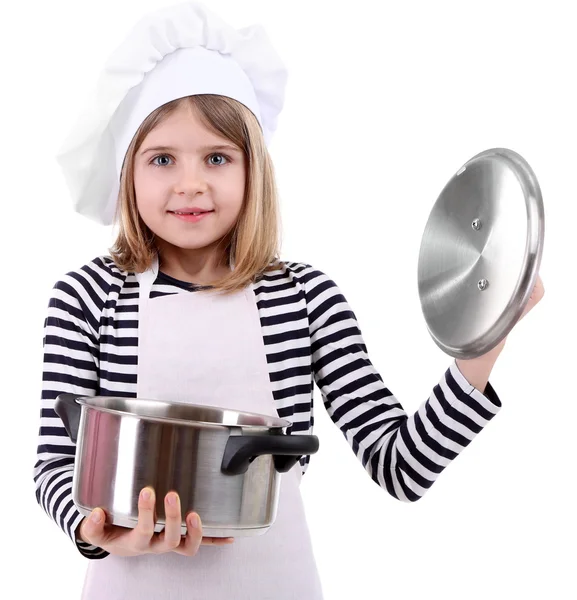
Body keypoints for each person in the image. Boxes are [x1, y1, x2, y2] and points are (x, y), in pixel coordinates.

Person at [32, 2, 544, 599]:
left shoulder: (305, 297)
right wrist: (98, 530)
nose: (191, 183)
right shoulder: (88, 297)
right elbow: (53, 466)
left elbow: (400, 467)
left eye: (218, 157)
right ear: (128, 172)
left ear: (255, 172)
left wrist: (480, 350)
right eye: (162, 158)